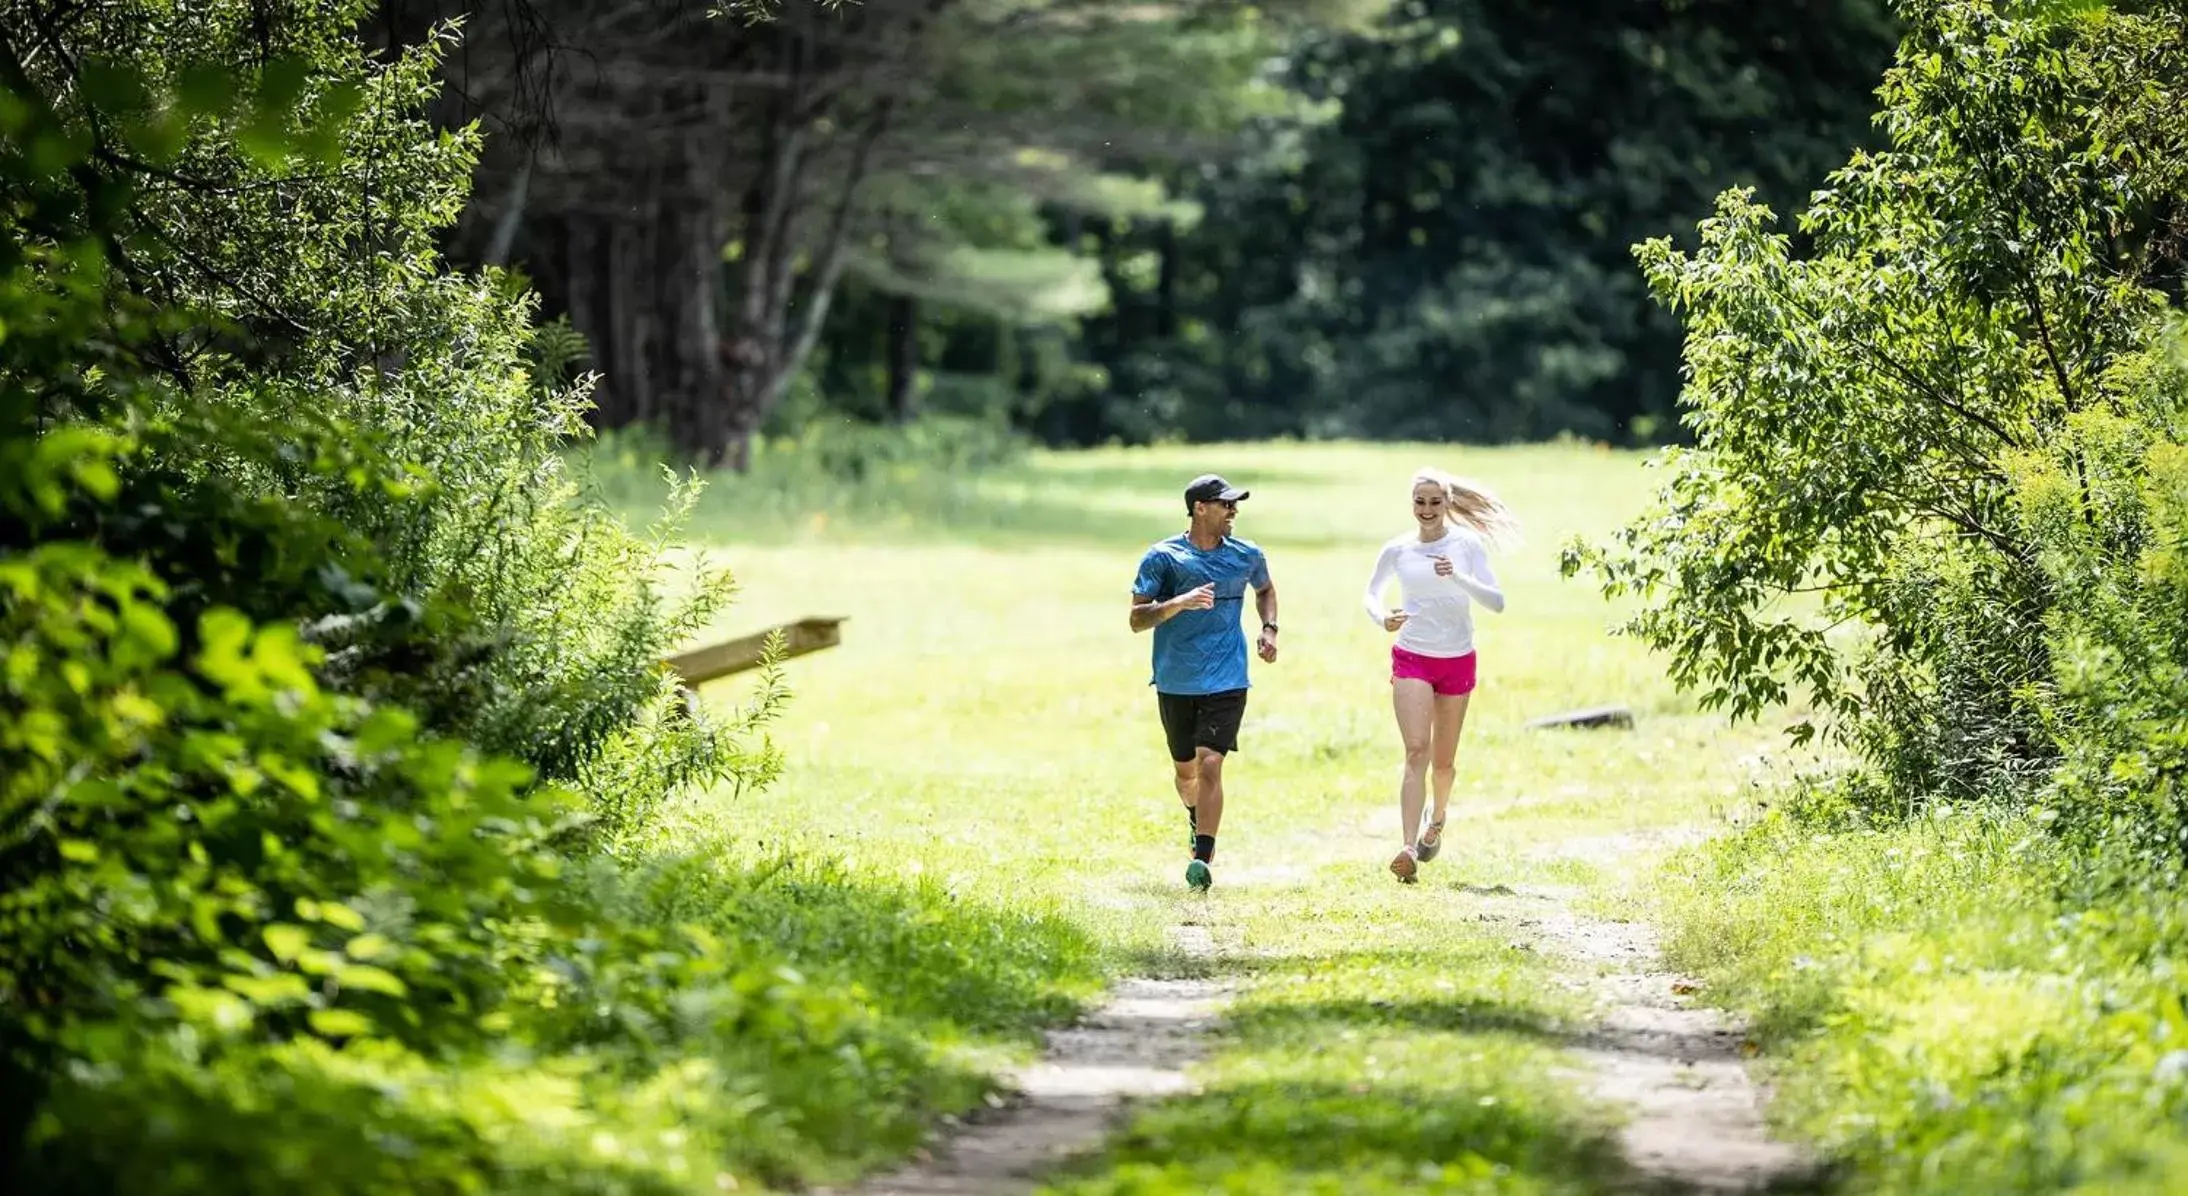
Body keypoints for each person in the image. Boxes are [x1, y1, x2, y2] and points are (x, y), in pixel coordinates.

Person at [1361, 467, 1518, 883]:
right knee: (1416, 751)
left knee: (1443, 765)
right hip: (1412, 655)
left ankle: (1438, 819)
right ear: (1411, 504)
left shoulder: (1466, 544)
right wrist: (1382, 617)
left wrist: (1459, 576)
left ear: (1447, 504)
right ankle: (1409, 848)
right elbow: (1371, 593)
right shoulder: (1397, 549)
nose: (1426, 510)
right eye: (1419, 502)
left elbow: (1497, 602)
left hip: (1457, 659)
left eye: (1434, 502)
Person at [1130, 473, 1279, 891]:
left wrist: (1269, 628)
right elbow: (1136, 620)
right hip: (1176, 678)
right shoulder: (1163, 558)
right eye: (1225, 504)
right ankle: (1197, 818)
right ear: (1199, 508)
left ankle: (1203, 858)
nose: (1233, 511)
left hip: (1228, 676)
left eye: (1235, 505)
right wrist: (1180, 602)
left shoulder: (1246, 554)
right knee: (1186, 773)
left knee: (1211, 762)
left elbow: (1265, 589)